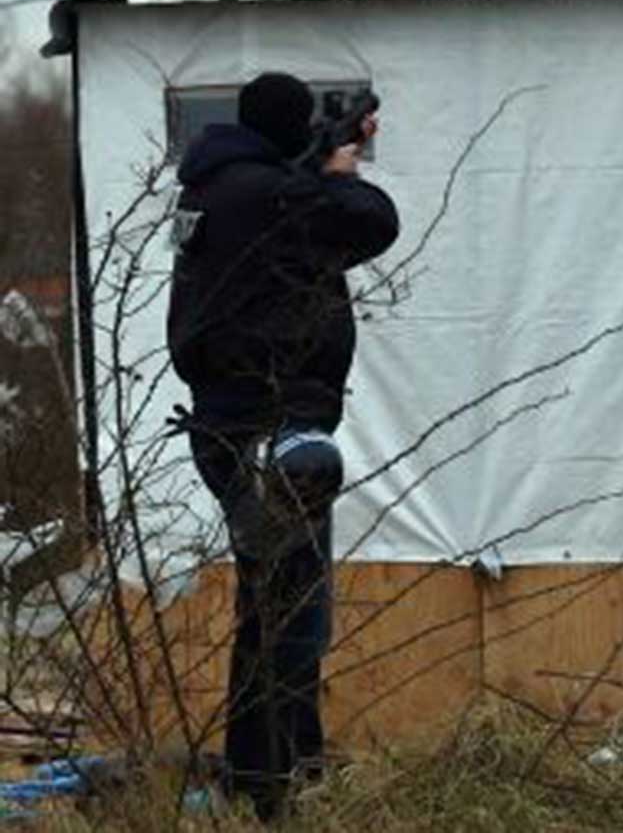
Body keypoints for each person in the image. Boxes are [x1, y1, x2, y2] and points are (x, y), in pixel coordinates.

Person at [166, 73, 397, 820]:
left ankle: (263, 769)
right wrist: (340, 169)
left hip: (230, 424)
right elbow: (371, 223)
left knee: (270, 601)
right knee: (295, 611)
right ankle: (277, 785)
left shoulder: (219, 185)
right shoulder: (270, 196)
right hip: (273, 430)